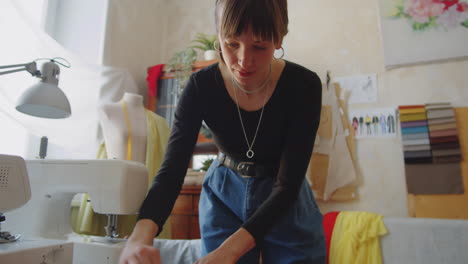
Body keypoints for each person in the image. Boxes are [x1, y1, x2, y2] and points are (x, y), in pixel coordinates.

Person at [119, 0, 325, 263]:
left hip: (284, 196)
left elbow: (288, 185)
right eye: (231, 44)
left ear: (279, 38)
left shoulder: (304, 86)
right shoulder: (200, 87)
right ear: (218, 34)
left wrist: (228, 252)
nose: (243, 60)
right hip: (225, 192)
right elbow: (172, 170)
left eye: (259, 46)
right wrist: (139, 237)